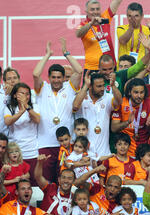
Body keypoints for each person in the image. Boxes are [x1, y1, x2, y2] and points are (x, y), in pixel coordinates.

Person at [33, 41, 82, 183]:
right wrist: (47, 55)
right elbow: (36, 74)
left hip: (66, 144)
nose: (56, 80)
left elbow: (79, 71)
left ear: (63, 78)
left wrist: (66, 54)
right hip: (46, 143)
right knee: (46, 182)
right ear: (49, 77)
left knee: (66, 181)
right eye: (53, 77)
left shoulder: (69, 87)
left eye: (59, 77)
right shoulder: (43, 89)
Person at [73, 71, 122, 159]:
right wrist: (85, 87)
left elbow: (119, 102)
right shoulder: (82, 97)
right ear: (90, 86)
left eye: (103, 85)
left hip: (104, 153)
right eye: (99, 86)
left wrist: (113, 86)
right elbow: (75, 106)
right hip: (85, 155)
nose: (102, 88)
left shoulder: (108, 97)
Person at [4, 83, 40, 186]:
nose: (25, 96)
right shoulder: (9, 108)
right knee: (16, 183)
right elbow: (8, 121)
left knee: (32, 184)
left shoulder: (34, 107)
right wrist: (21, 111)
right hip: (15, 152)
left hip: (32, 151)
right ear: (15, 95)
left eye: (27, 94)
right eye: (22, 93)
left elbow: (37, 119)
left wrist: (27, 108)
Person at [76, 0, 124, 72]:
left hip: (110, 67)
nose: (95, 12)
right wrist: (91, 24)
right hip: (92, 68)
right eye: (92, 9)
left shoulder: (105, 17)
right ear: (86, 11)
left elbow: (117, 2)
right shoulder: (83, 25)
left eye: (97, 9)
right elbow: (78, 34)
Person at [111, 78, 150, 157]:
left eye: (142, 92)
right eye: (136, 92)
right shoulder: (121, 103)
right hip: (126, 151)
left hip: (143, 152)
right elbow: (113, 128)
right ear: (129, 92)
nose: (139, 96)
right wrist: (127, 122)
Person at [117, 2, 150, 68]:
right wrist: (131, 27)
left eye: (136, 16)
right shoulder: (121, 28)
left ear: (142, 16)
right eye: (129, 16)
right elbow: (123, 41)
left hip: (141, 70)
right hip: (124, 70)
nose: (132, 19)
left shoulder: (147, 30)